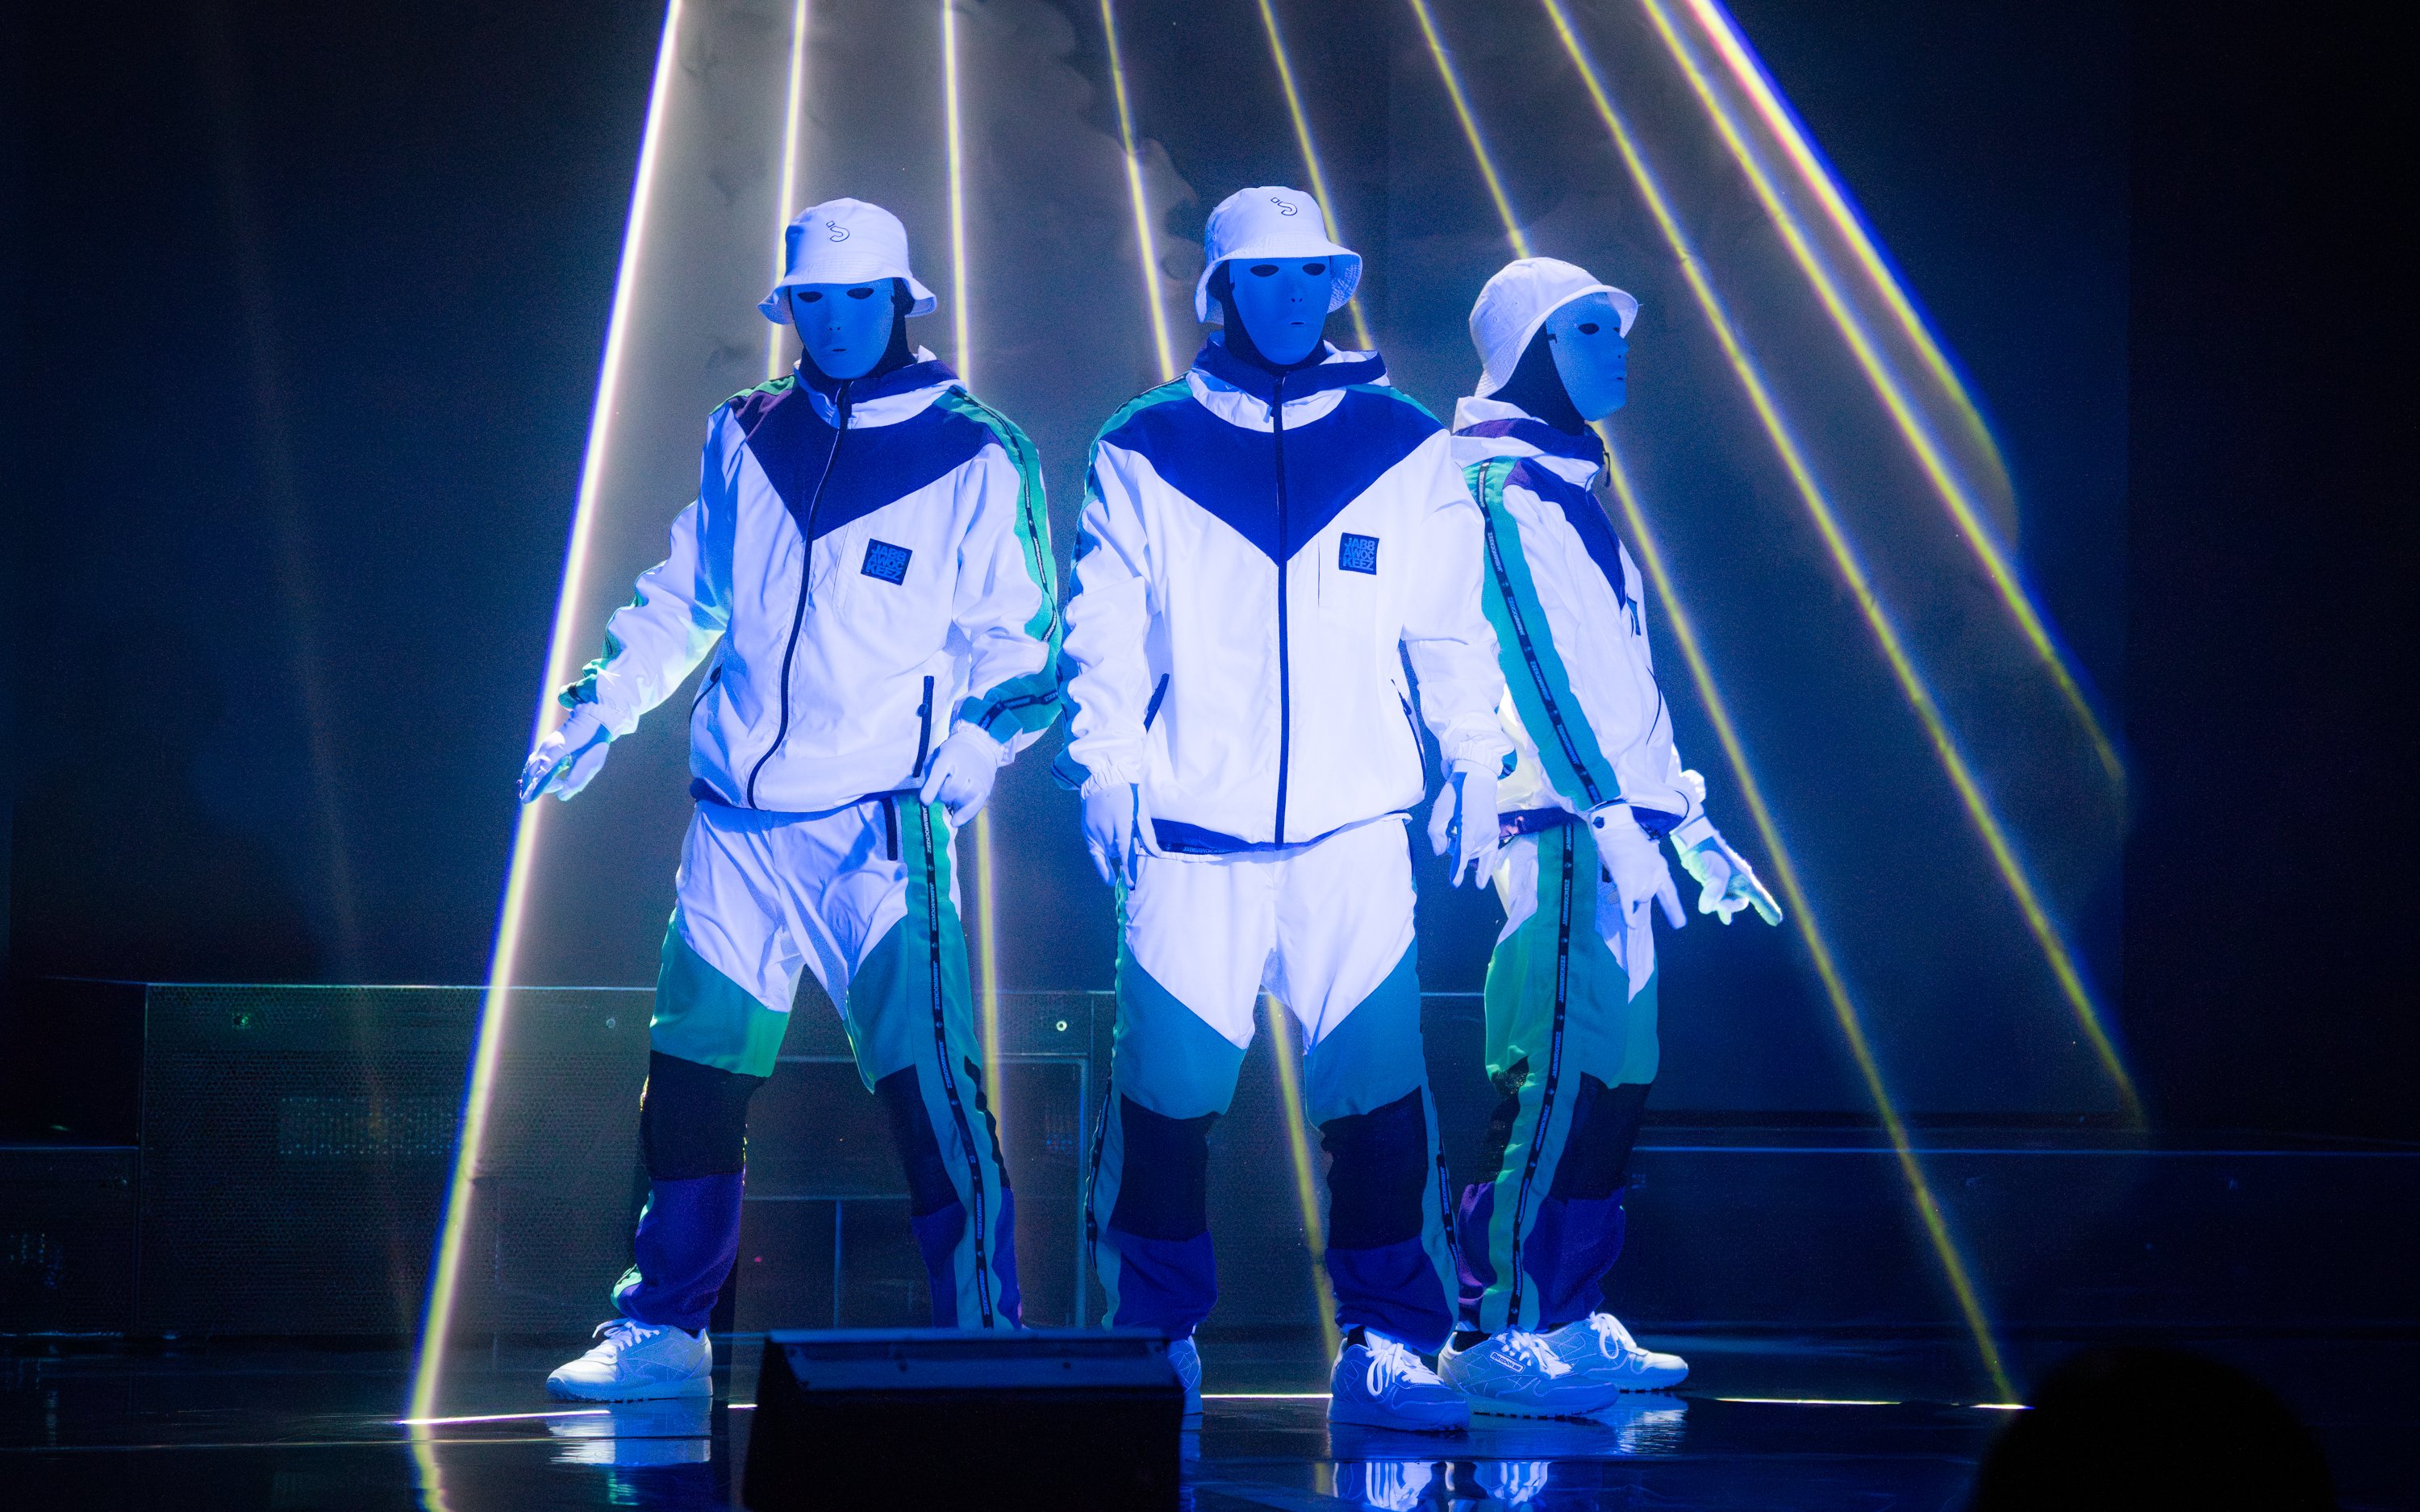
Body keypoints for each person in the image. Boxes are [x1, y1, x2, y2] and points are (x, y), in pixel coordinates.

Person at [523, 198, 1058, 1400]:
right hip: (732, 828)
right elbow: (688, 594)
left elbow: (1021, 637)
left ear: (901, 300)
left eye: (857, 295)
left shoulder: (979, 449)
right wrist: (600, 704)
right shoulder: (743, 432)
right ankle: (663, 1328)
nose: (834, 317)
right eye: (811, 297)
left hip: (880, 829)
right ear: (791, 307)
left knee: (932, 1089)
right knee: (696, 1079)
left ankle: (980, 1329)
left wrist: (987, 736)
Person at [1060, 185, 1512, 1431]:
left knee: (1377, 1106)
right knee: (1162, 1110)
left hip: (1355, 836)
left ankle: (1388, 1344)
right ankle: (1151, 1342)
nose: (1286, 295)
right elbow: (1101, 624)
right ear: (1219, 291)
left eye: (1306, 272)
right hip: (1188, 836)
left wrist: (1477, 753)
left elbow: (1449, 625)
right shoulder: (1142, 442)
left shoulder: (1406, 441)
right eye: (1257, 276)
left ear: (1335, 282)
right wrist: (1103, 758)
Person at [1436, 257, 1782, 1418]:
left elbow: (1621, 680)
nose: (1618, 347)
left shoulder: (1565, 491)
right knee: (1555, 1078)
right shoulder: (1497, 492)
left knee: (1618, 1078)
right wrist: (1605, 813)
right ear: (1531, 345)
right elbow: (1535, 674)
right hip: (1561, 828)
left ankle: (1568, 1316)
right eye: (1588, 328)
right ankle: (1496, 1326)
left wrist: (1687, 823)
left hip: (1616, 830)